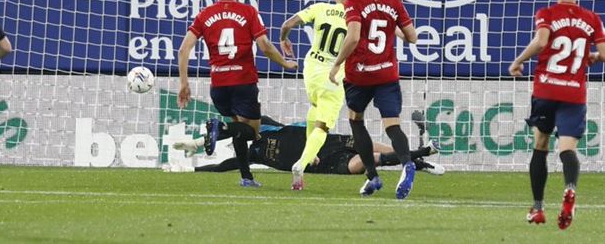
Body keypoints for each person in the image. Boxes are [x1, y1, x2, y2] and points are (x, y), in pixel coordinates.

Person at [177, 0, 297, 188]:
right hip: (243, 81)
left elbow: (183, 50)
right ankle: (219, 129)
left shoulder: (205, 14)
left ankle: (246, 177)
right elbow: (265, 46)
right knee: (252, 130)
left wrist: (184, 84)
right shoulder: (248, 12)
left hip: (219, 84)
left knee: (239, 128)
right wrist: (285, 62)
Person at [509, 0, 605, 230]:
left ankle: (538, 208)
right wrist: (593, 56)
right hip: (574, 92)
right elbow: (604, 54)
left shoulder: (547, 13)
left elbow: (541, 41)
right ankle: (570, 188)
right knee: (567, 149)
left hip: (547, 88)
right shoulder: (592, 18)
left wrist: (518, 61)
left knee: (540, 144)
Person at [329, 0, 417, 199]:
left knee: (356, 120)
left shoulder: (353, 3)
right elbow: (412, 37)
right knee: (392, 124)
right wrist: (394, 29)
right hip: (387, 73)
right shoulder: (394, 1)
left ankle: (372, 176)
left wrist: (337, 64)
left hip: (360, 75)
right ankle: (407, 163)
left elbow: (354, 36)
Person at [167, 115, 444, 176]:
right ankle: (422, 155)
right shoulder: (253, 155)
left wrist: (310, 151)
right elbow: (221, 166)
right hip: (327, 166)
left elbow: (305, 128)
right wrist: (190, 171)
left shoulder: (266, 125)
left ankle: (420, 161)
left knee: (371, 145)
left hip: (325, 145)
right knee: (362, 163)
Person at [279, 0, 358, 190]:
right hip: (333, 76)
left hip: (311, 72)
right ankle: (301, 165)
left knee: (315, 107)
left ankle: (310, 154)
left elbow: (288, 24)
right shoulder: (356, 17)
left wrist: (283, 40)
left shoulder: (321, 8)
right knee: (322, 127)